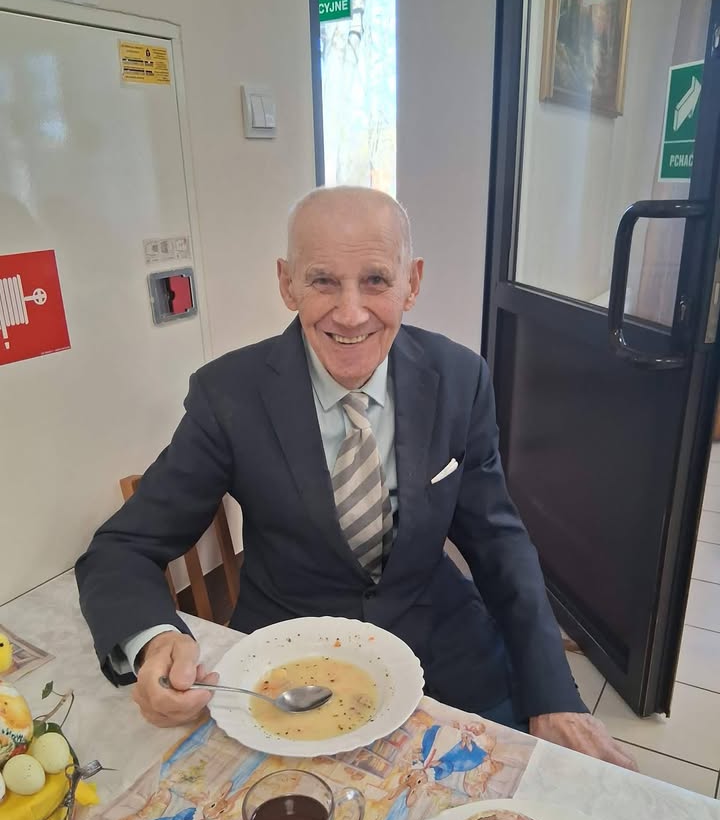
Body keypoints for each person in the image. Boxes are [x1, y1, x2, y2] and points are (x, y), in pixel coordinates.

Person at [76, 186, 635, 769]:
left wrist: (554, 692)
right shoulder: (229, 394)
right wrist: (153, 639)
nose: (349, 313)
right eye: (323, 281)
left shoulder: (460, 379)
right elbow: (121, 548)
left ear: (411, 283)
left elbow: (499, 541)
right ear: (287, 283)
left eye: (375, 280)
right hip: (286, 670)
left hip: (448, 656)